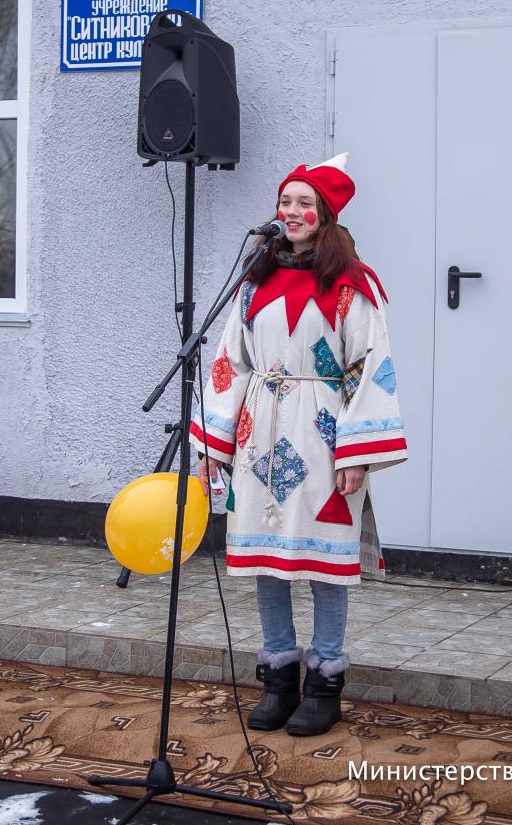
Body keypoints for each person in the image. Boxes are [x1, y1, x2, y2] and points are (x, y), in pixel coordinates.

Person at [192, 152, 407, 738]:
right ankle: (279, 673)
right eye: (285, 201)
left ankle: (326, 680)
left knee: (324, 557)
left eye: (303, 203)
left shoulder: (351, 286)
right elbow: (229, 363)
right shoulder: (253, 282)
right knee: (267, 553)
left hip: (323, 431)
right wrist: (216, 439)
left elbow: (371, 368)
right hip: (257, 431)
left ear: (326, 214)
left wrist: (357, 453)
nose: (290, 212)